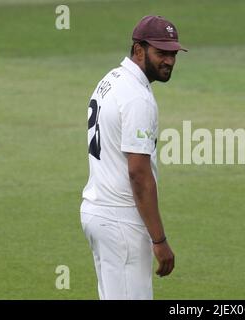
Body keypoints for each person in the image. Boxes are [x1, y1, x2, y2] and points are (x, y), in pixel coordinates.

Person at [80, 15, 187, 300]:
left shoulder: (112, 79)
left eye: (173, 53)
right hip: (120, 221)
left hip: (98, 211)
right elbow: (139, 174)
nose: (169, 61)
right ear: (139, 49)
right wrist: (159, 240)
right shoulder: (137, 97)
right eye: (161, 53)